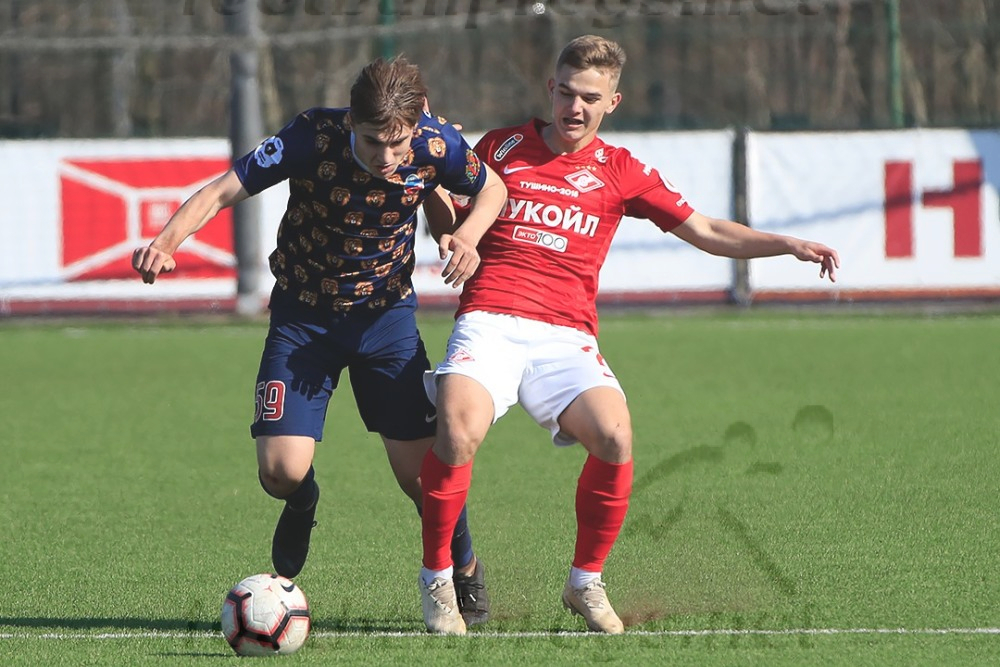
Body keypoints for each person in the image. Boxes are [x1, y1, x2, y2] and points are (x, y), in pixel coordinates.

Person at [416, 35, 840, 635]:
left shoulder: (622, 170)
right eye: (567, 92)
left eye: (590, 98)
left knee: (615, 435)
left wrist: (785, 243)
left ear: (612, 102)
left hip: (567, 336)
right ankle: (438, 580)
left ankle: (584, 582)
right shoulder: (499, 147)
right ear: (550, 88)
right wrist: (430, 182)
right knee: (458, 432)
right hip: (490, 320)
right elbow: (451, 225)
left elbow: (706, 230)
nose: (575, 107)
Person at [132, 56, 507, 627]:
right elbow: (223, 190)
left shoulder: (437, 144)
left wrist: (469, 237)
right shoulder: (312, 135)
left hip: (385, 322)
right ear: (351, 120)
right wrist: (166, 241)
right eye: (373, 141)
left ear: (415, 126)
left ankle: (466, 565)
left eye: (398, 143)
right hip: (302, 320)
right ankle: (304, 501)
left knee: (423, 478)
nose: (387, 156)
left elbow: (493, 188)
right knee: (279, 472)